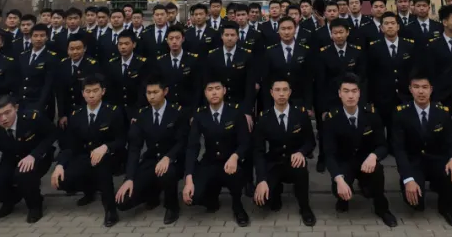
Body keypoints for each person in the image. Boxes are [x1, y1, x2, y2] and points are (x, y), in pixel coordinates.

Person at [322, 73, 396, 227]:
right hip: (344, 163)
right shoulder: (331, 119)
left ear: (359, 93)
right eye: (346, 91)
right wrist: (339, 179)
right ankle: (343, 199)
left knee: (378, 170)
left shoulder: (372, 115)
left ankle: (382, 208)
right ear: (339, 93)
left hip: (365, 163)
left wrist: (374, 156)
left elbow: (383, 145)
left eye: (354, 91)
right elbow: (329, 154)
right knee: (338, 188)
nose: (350, 96)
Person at [391, 72, 452, 227]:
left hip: (437, 160)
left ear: (431, 89)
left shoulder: (442, 112)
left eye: (424, 87)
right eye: (416, 87)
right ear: (410, 89)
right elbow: (399, 150)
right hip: (414, 163)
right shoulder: (401, 114)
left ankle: (446, 207)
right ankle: (414, 187)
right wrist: (408, 179)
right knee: (416, 204)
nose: (421, 91)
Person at [51, 75, 124, 226]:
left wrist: (106, 147)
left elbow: (122, 140)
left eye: (95, 91)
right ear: (83, 93)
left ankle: (111, 210)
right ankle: (89, 189)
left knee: (102, 166)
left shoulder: (113, 112)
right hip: (85, 156)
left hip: (110, 156)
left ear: (103, 91)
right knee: (61, 180)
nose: (91, 95)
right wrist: (59, 165)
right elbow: (69, 146)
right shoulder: (76, 115)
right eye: (88, 91)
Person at [116, 77, 189, 224]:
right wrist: (129, 178)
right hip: (151, 160)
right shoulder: (142, 115)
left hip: (174, 160)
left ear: (165, 91)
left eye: (155, 92)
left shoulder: (177, 112)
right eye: (148, 93)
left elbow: (183, 142)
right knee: (123, 202)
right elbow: (135, 148)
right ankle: (152, 195)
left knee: (166, 173)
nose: (151, 96)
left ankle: (172, 206)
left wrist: (168, 157)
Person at [0, 95, 58, 223]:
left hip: (38, 156)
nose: (3, 119)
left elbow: (52, 134)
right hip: (11, 158)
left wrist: (34, 155)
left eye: (7, 113)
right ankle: (11, 200)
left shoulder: (32, 118)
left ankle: (35, 205)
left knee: (23, 174)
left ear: (16, 108)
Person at [183, 79, 252, 227]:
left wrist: (235, 156)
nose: (214, 92)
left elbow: (245, 142)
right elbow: (192, 147)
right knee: (193, 197)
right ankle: (212, 200)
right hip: (210, 161)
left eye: (217, 88)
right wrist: (188, 179)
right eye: (210, 89)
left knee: (237, 174)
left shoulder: (236, 112)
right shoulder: (200, 115)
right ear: (205, 93)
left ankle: (237, 206)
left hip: (230, 161)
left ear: (224, 91)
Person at [252, 79, 316, 227]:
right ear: (271, 93)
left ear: (290, 92)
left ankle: (305, 207)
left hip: (294, 162)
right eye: (277, 90)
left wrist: (301, 152)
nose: (281, 94)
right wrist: (261, 179)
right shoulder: (264, 118)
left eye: (285, 90)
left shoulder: (300, 114)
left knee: (301, 169)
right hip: (274, 162)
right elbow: (258, 151)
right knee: (261, 202)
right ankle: (276, 192)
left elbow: (310, 142)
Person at [314, 20, 366, 171]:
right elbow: (320, 82)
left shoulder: (357, 51)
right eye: (335, 33)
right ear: (331, 34)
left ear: (347, 32)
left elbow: (362, 78)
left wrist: (361, 100)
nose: (338, 36)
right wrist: (323, 107)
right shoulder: (323, 53)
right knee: (326, 130)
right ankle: (323, 157)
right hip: (331, 98)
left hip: (351, 97)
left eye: (341, 32)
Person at [366, 11, 419, 135]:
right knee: (388, 129)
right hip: (383, 97)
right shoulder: (374, 47)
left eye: (393, 23)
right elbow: (371, 74)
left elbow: (414, 70)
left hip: (406, 95)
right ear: (381, 28)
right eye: (386, 24)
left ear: (398, 26)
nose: (390, 26)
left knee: (408, 128)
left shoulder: (409, 45)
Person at [55, 38, 102, 124]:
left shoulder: (92, 65)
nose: (75, 52)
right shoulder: (63, 64)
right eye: (72, 49)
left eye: (78, 48)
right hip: (68, 111)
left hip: (86, 109)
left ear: (85, 48)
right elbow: (60, 92)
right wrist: (62, 114)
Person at [18, 22, 58, 118]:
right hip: (23, 101)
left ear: (47, 37)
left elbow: (48, 85)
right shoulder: (23, 55)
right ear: (31, 37)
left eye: (42, 36)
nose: (38, 39)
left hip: (40, 103)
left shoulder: (51, 57)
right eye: (35, 36)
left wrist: (40, 105)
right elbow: (19, 79)